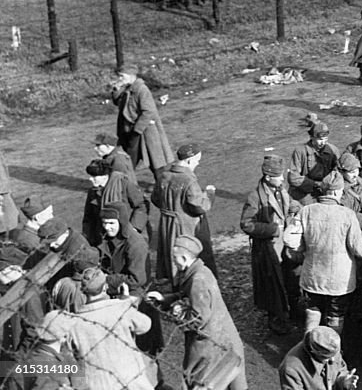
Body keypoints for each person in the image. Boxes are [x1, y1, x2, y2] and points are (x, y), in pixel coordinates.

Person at [147, 235, 247, 390]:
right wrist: (165, 299)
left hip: (213, 345)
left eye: (175, 259)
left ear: (185, 258)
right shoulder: (199, 271)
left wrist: (177, 313)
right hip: (222, 339)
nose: (173, 262)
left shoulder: (198, 280)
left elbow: (198, 319)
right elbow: (185, 294)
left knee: (202, 382)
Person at [293, 171, 362, 334]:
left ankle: (308, 345)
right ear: (335, 192)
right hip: (339, 281)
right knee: (336, 315)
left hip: (312, 276)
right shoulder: (347, 214)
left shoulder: (306, 211)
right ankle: (332, 352)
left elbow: (290, 240)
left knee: (312, 310)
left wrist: (304, 249)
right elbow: (359, 249)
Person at [66, 267, 157, 390]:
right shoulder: (120, 309)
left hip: (99, 384)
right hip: (130, 381)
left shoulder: (74, 323)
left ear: (82, 290)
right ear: (105, 287)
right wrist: (126, 303)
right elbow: (145, 325)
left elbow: (69, 355)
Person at [240, 154, 298, 335]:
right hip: (267, 248)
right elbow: (247, 224)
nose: (282, 179)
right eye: (278, 176)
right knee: (273, 285)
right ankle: (277, 321)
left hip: (284, 245)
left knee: (291, 278)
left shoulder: (280, 188)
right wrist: (273, 229)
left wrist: (296, 208)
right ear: (267, 177)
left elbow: (288, 204)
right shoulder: (255, 197)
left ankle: (293, 312)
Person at [153, 143, 217, 280]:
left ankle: (172, 282)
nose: (197, 164)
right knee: (188, 253)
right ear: (189, 160)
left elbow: (155, 199)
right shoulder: (188, 180)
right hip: (184, 225)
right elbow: (198, 207)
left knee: (170, 255)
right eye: (197, 161)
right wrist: (209, 195)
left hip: (166, 223)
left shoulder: (164, 175)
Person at [110, 68, 174, 187]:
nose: (120, 79)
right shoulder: (127, 88)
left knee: (156, 163)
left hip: (144, 133)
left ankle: (165, 187)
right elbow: (118, 103)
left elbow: (148, 111)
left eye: (122, 76)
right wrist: (116, 89)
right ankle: (125, 188)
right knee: (127, 162)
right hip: (129, 132)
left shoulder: (141, 90)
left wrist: (136, 130)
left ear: (131, 75)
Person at [279, 326, 359, 390]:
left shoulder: (330, 346)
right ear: (314, 352)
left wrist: (343, 380)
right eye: (326, 357)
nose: (332, 360)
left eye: (334, 355)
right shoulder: (291, 369)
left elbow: (340, 370)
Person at [288, 117, 341, 206]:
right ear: (312, 137)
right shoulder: (300, 151)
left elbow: (338, 172)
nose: (323, 142)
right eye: (320, 139)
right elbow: (293, 177)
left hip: (326, 190)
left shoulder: (333, 150)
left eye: (325, 139)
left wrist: (328, 185)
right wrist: (315, 184)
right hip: (304, 191)